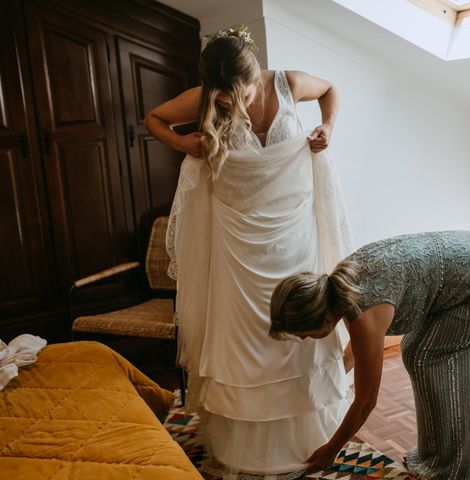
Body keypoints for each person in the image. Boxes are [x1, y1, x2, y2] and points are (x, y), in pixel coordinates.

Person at [145, 25, 353, 478]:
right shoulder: (205, 95)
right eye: (223, 100)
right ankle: (246, 447)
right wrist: (185, 143)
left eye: (237, 94)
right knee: (247, 337)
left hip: (295, 234)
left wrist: (328, 128)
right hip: (237, 240)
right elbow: (154, 118)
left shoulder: (288, 83)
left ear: (255, 74)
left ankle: (309, 435)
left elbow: (332, 89)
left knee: (300, 325)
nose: (232, 105)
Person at [270, 230, 470, 479]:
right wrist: (334, 379)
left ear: (324, 317)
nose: (304, 339)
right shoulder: (341, 284)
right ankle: (444, 450)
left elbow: (366, 402)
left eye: (303, 333)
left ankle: (455, 461)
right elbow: (362, 348)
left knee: (424, 357)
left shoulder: (363, 312)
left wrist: (332, 449)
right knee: (417, 352)